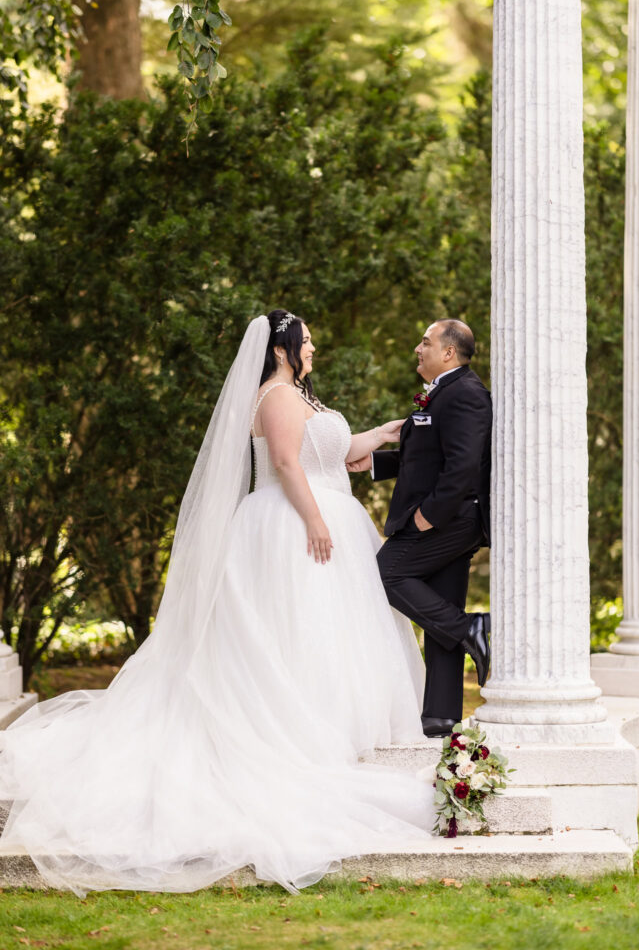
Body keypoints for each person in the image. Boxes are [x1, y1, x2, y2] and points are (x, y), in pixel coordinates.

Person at [0, 310, 435, 896]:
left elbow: (329, 456)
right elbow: (284, 465)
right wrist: (313, 519)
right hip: (289, 525)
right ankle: (296, 739)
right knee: (290, 633)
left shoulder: (303, 397)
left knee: (327, 637)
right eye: (304, 340)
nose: (312, 346)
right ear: (281, 349)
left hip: (330, 516)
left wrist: (381, 434)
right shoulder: (275, 397)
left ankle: (340, 735)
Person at [349, 319, 492, 737]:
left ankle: (472, 629)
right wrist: (375, 463)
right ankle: (440, 718)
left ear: (448, 352)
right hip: (443, 518)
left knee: (385, 573)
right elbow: (429, 456)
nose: (418, 347)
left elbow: (464, 464)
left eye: (426, 342)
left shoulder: (466, 393)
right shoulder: (446, 391)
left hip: (448, 520)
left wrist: (429, 515)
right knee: (440, 609)